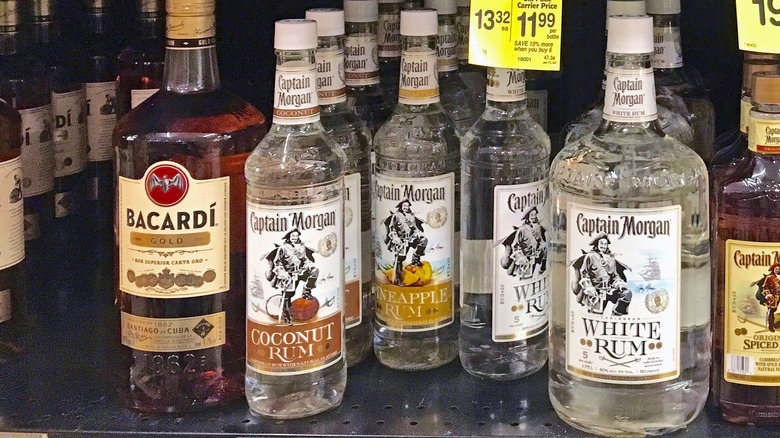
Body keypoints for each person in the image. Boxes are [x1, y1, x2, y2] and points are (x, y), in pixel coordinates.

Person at [265, 227, 319, 324]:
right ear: (289, 237)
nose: (294, 237)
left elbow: (305, 259)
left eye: (296, 236)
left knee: (314, 271)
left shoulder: (301, 247)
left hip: (300, 271)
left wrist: (309, 264)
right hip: (288, 274)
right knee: (288, 295)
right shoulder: (283, 248)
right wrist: (283, 274)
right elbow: (277, 262)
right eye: (293, 236)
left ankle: (306, 291)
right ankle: (287, 316)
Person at [571, 233, 632, 315]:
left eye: (605, 244)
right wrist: (589, 288)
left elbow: (615, 276)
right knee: (595, 315)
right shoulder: (590, 257)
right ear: (597, 244)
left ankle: (616, 315)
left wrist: (620, 284)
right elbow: (584, 273)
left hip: (609, 289)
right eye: (601, 243)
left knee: (626, 293)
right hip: (596, 291)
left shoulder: (611, 260)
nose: (603, 246)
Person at [383, 199, 427, 286]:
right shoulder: (396, 216)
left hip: (410, 238)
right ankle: (399, 279)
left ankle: (416, 258)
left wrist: (418, 234)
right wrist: (396, 239)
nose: (406, 207)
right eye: (404, 206)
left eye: (407, 206)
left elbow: (415, 228)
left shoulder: (411, 216)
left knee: (423, 240)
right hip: (401, 240)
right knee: (400, 259)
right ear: (401, 206)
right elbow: (392, 229)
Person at [500, 206, 547, 278]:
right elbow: (515, 245)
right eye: (532, 215)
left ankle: (542, 270)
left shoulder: (538, 228)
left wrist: (542, 245)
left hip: (536, 256)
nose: (534, 217)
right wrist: (521, 257)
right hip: (524, 258)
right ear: (528, 217)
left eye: (535, 214)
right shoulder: (522, 229)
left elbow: (541, 241)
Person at [761, 263, 780, 332]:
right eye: (776, 269)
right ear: (773, 270)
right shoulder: (769, 277)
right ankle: (771, 326)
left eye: (778, 269)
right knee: (772, 311)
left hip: (779, 296)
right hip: (773, 297)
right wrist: (768, 294)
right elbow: (765, 287)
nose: (777, 270)